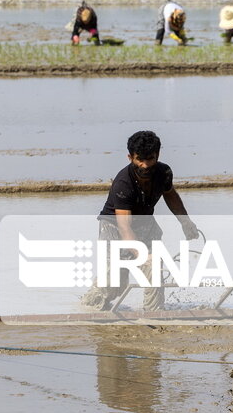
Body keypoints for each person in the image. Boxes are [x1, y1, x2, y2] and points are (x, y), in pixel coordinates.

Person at [80, 131, 199, 311]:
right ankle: (87, 308)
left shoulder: (164, 172)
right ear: (130, 157)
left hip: (145, 225)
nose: (144, 165)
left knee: (155, 270)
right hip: (115, 229)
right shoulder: (123, 183)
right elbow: (125, 228)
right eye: (139, 159)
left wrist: (185, 222)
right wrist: (143, 254)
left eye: (150, 159)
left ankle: (154, 313)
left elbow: (171, 196)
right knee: (113, 284)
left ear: (157, 156)